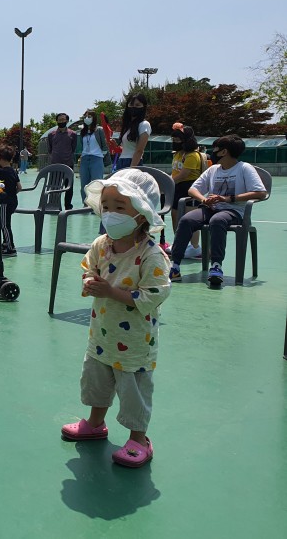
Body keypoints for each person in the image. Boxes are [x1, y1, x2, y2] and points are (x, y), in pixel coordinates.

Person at [61, 168, 171, 468]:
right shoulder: (101, 245)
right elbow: (89, 268)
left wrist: (110, 292)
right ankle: (96, 423)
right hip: (102, 335)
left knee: (134, 391)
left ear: (142, 213)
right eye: (106, 206)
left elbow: (154, 294)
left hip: (134, 342)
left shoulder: (151, 255)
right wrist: (89, 281)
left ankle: (139, 439)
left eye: (120, 207)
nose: (110, 213)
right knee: (96, 380)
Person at [168, 135, 267, 287]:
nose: (212, 152)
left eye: (215, 149)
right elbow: (192, 190)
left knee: (217, 220)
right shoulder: (213, 169)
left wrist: (229, 199)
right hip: (210, 209)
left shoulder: (244, 168)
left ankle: (216, 266)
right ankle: (175, 266)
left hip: (234, 211)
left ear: (224, 152)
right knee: (187, 219)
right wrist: (204, 200)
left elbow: (261, 193)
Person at [169, 123, 205, 258]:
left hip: (189, 187)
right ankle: (179, 243)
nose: (175, 141)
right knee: (175, 215)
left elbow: (184, 174)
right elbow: (175, 172)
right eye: (174, 138)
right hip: (177, 187)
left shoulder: (192, 155)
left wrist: (168, 183)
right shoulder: (178, 154)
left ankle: (194, 247)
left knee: (191, 218)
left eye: (178, 138)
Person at [46, 113, 78, 209]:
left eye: (63, 119)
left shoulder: (73, 134)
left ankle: (68, 206)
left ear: (67, 121)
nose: (61, 121)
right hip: (55, 165)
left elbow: (73, 148)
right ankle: (54, 205)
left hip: (68, 164)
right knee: (54, 186)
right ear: (57, 121)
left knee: (69, 187)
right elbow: (50, 149)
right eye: (59, 120)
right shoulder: (51, 135)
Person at [78, 111, 110, 205]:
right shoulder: (82, 131)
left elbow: (104, 145)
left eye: (89, 116)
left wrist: (101, 156)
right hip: (85, 159)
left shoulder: (99, 130)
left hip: (96, 158)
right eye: (85, 116)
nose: (87, 118)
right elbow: (82, 145)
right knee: (84, 184)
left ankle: (97, 205)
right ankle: (85, 205)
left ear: (94, 118)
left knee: (97, 183)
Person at [115, 94, 151, 170]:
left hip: (133, 162)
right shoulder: (127, 126)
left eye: (137, 105)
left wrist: (131, 169)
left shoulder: (144, 124)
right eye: (131, 104)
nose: (134, 107)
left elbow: (139, 150)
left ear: (143, 107)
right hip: (121, 161)